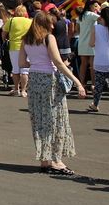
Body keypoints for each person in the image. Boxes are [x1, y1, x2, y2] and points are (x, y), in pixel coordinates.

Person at [21, 11, 86, 176]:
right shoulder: (48, 38)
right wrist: (77, 81)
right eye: (51, 22)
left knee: (40, 120)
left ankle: (45, 160)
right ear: (45, 24)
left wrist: (36, 62)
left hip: (34, 80)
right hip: (50, 80)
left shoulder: (26, 39)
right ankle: (56, 161)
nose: (53, 25)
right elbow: (58, 62)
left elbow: (22, 62)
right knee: (56, 119)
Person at [5, 6, 31, 97]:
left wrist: (5, 39)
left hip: (14, 46)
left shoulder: (11, 20)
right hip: (27, 46)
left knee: (15, 69)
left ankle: (16, 89)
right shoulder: (29, 21)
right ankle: (24, 90)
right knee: (25, 70)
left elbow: (4, 32)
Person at [76, 0, 100, 89]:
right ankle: (94, 85)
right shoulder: (92, 15)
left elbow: (77, 29)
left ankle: (81, 84)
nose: (97, 7)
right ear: (90, 6)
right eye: (95, 6)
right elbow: (103, 19)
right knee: (92, 65)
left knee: (83, 64)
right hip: (91, 42)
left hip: (82, 42)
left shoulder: (81, 15)